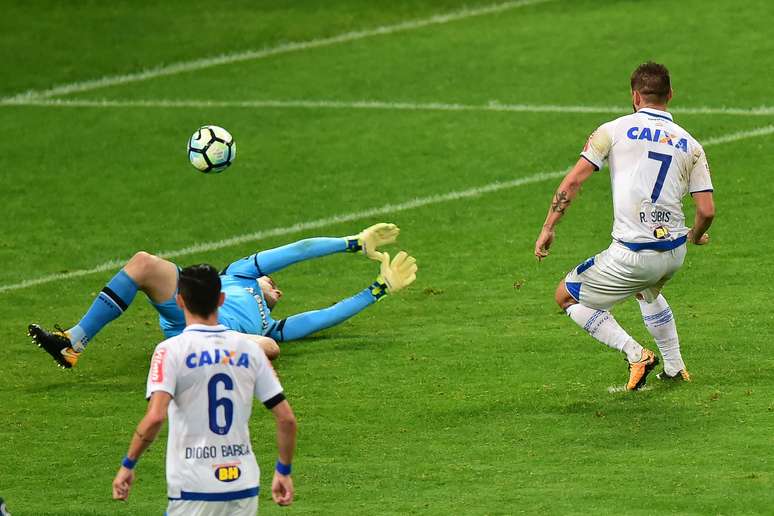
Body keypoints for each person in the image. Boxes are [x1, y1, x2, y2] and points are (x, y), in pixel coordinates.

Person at [534, 62, 715, 390]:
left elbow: (574, 181)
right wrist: (695, 235)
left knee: (567, 297)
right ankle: (674, 367)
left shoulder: (613, 130)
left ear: (634, 96)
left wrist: (549, 225)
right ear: (670, 95)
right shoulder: (691, 144)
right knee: (647, 290)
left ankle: (636, 354)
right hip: (673, 254)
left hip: (632, 255)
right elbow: (707, 210)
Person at [29, 223, 418, 368]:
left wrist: (378, 290)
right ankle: (73, 341)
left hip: (207, 334)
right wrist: (352, 243)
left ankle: (201, 350)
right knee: (144, 263)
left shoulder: (274, 324)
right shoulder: (240, 272)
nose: (277, 289)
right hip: (190, 303)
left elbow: (327, 315)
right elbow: (297, 251)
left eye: (279, 292)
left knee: (270, 347)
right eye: (275, 284)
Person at [111, 264, 297, 514]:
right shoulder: (250, 351)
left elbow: (155, 417)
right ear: (221, 299)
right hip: (243, 485)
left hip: (193, 486)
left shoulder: (170, 351)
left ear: (179, 301)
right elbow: (286, 419)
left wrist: (128, 464)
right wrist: (283, 471)